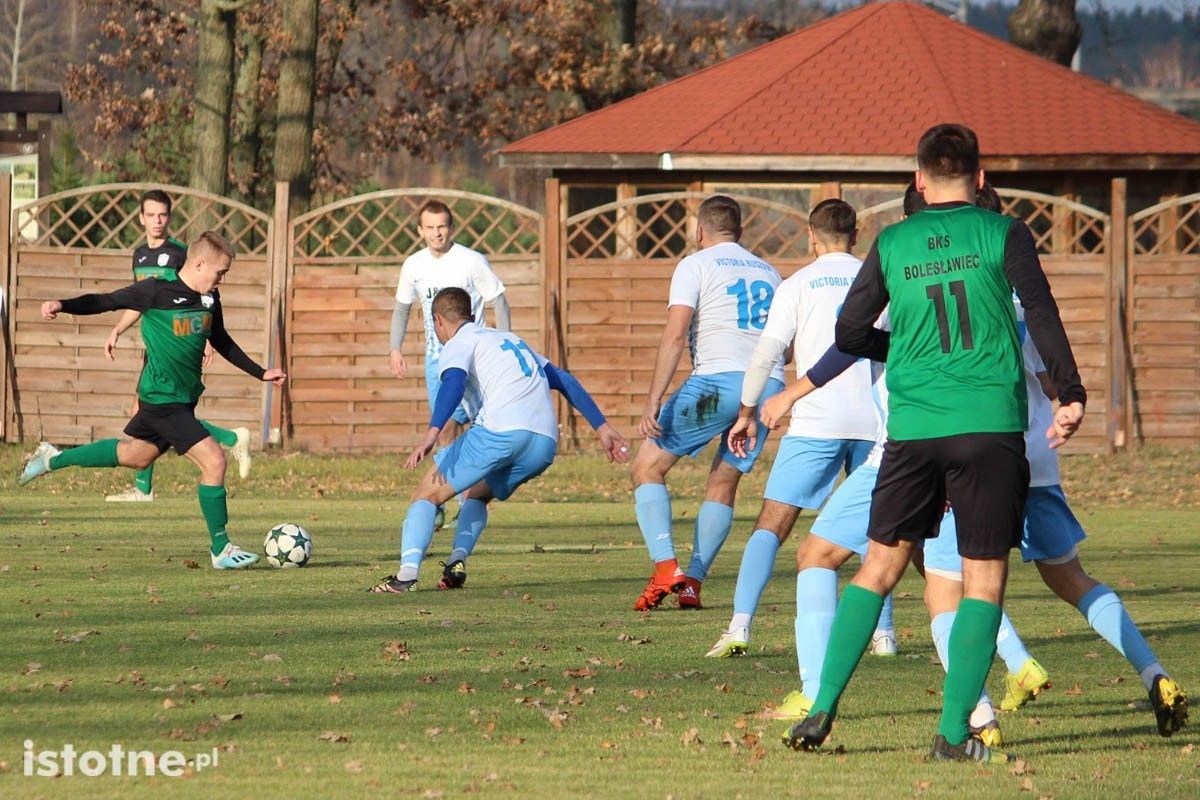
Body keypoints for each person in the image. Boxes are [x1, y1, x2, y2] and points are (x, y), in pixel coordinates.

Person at [785, 123, 1086, 763]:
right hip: (988, 428)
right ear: (980, 179)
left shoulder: (893, 241)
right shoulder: (1004, 232)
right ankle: (952, 735)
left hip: (914, 432)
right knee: (982, 581)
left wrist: (899, 350)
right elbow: (1042, 309)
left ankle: (820, 707)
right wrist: (1069, 392)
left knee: (878, 567)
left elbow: (848, 327)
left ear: (919, 179)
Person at [19, 232, 287, 569]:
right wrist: (63, 304)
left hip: (183, 400)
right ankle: (221, 549)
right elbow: (105, 301)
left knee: (136, 457)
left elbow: (221, 339)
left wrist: (260, 373)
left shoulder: (209, 299)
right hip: (162, 399)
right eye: (220, 272)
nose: (222, 280)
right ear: (200, 263)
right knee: (215, 461)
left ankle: (52, 459)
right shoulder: (155, 290)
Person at [705, 199, 879, 656]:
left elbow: (766, 355)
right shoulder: (879, 281)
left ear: (811, 237)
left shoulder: (798, 284)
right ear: (856, 236)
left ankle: (740, 626)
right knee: (876, 525)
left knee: (773, 523)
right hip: (876, 421)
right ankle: (884, 636)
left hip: (816, 419)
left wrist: (746, 412)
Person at [369, 288, 629, 593]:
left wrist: (432, 433)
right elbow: (562, 378)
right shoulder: (509, 339)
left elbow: (452, 384)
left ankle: (406, 576)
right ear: (473, 315)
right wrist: (602, 427)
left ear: (438, 321)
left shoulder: (458, 343)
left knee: (426, 497)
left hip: (501, 431)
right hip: (544, 442)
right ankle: (456, 564)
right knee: (476, 495)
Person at [628, 195, 785, 612]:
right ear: (741, 231)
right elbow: (785, 350)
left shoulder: (695, 264)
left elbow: (676, 334)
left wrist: (653, 399)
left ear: (699, 231)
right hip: (767, 385)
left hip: (716, 385)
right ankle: (694, 581)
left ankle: (665, 567)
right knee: (723, 481)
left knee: (646, 466)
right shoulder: (769, 272)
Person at [103, 190, 252, 502]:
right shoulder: (139, 255)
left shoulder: (180, 254)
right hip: (155, 342)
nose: (158, 221)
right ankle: (227, 439)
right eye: (152, 215)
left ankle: (146, 487)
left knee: (153, 410)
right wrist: (118, 328)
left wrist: (202, 339)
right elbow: (140, 300)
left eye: (163, 215)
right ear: (141, 218)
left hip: (178, 342)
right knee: (150, 412)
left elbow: (196, 297)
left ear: (169, 218)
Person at [389, 199, 511, 445]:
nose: (437, 233)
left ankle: (478, 479)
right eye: (431, 228)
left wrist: (504, 344)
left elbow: (498, 300)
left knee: (484, 426)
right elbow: (402, 309)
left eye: (442, 227)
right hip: (438, 359)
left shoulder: (471, 260)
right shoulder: (413, 265)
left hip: (474, 356)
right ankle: (456, 481)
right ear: (420, 231)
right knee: (444, 428)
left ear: (451, 228)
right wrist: (395, 349)